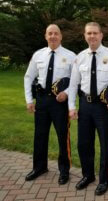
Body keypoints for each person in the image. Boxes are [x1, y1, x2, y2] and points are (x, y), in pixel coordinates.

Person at [68, 22, 108, 195]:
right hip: (84, 104)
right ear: (85, 36)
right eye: (88, 33)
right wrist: (71, 106)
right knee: (84, 143)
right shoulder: (79, 57)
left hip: (103, 107)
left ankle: (104, 180)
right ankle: (88, 175)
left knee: (105, 144)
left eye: (95, 33)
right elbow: (73, 83)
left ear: (101, 35)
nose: (92, 36)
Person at [24, 24, 76, 185]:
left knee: (62, 136)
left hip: (59, 102)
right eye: (50, 33)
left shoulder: (71, 56)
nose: (53, 36)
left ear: (61, 36)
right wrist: (29, 99)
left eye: (56, 33)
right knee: (39, 135)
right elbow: (28, 77)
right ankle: (40, 167)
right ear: (46, 36)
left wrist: (66, 93)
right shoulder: (38, 55)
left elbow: (76, 81)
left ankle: (64, 170)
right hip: (42, 101)